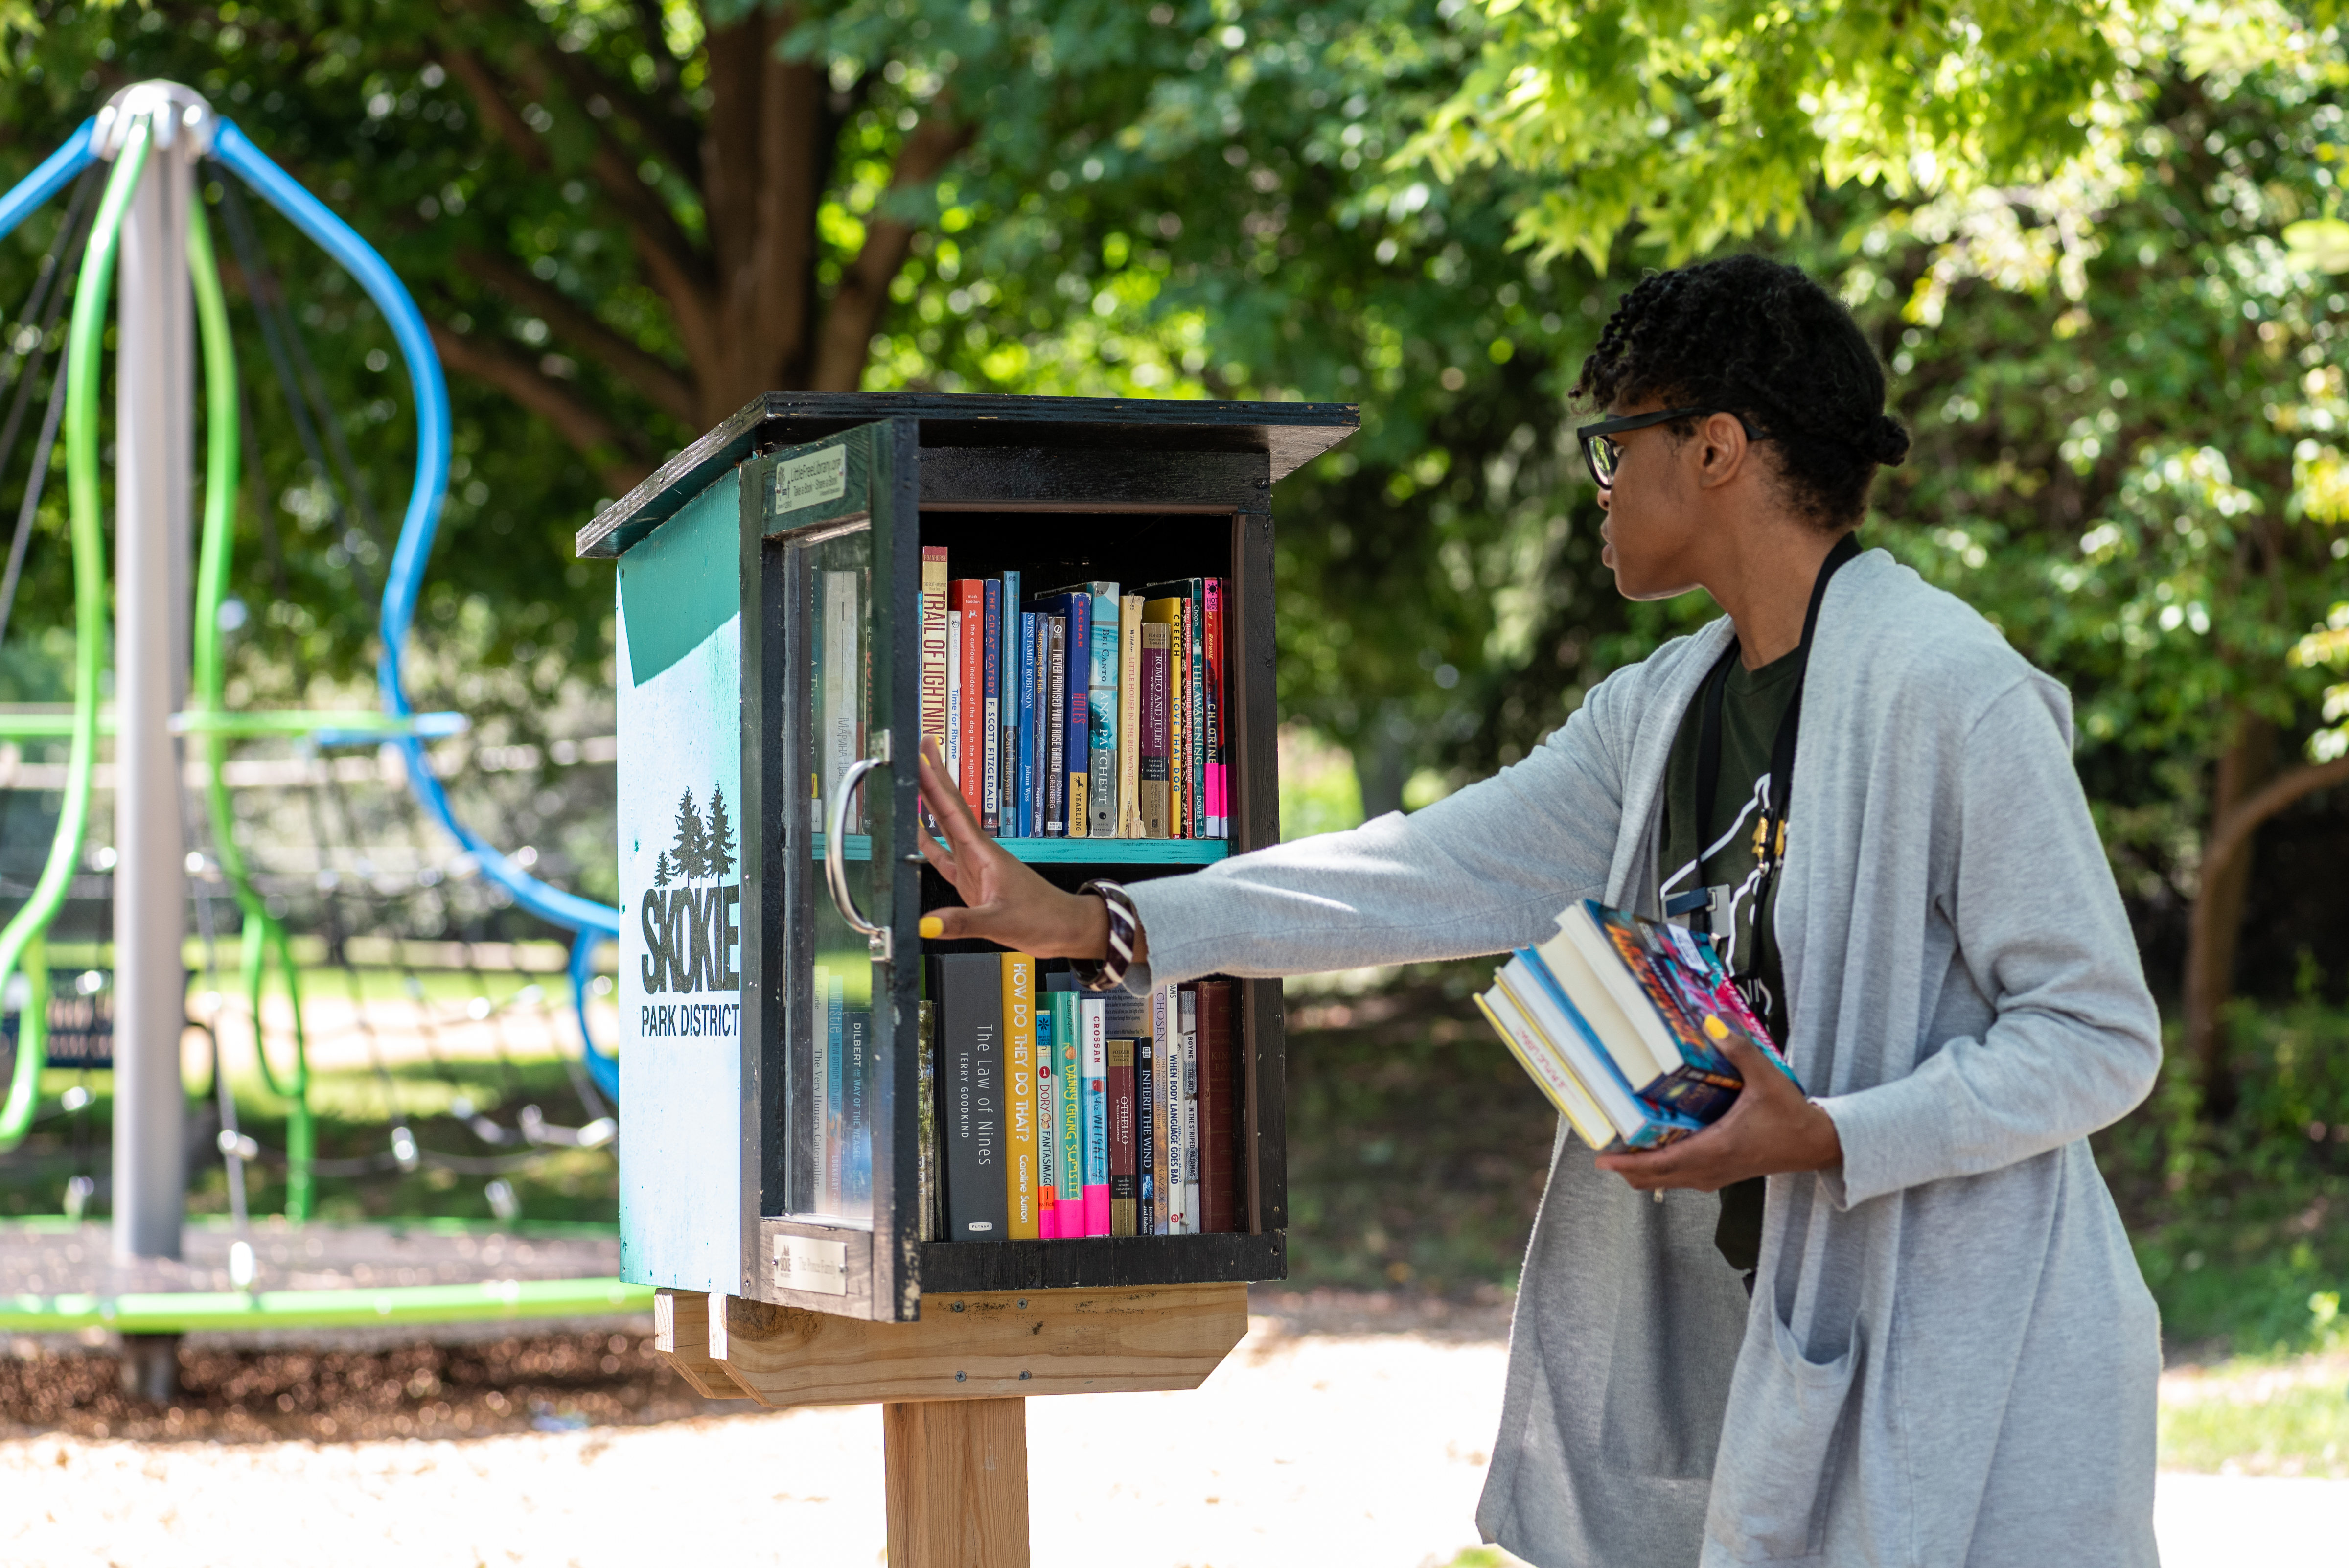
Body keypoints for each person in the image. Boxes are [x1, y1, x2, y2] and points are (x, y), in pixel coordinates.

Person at [915, 254, 2163, 1567]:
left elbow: (2096, 1035)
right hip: (1781, 1346)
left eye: (1617, 445)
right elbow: (1420, 870)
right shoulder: (1664, 707)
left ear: (1720, 448)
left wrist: (1834, 1136)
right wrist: (1104, 922)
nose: (1603, 487)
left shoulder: (1950, 691)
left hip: (1981, 1361)